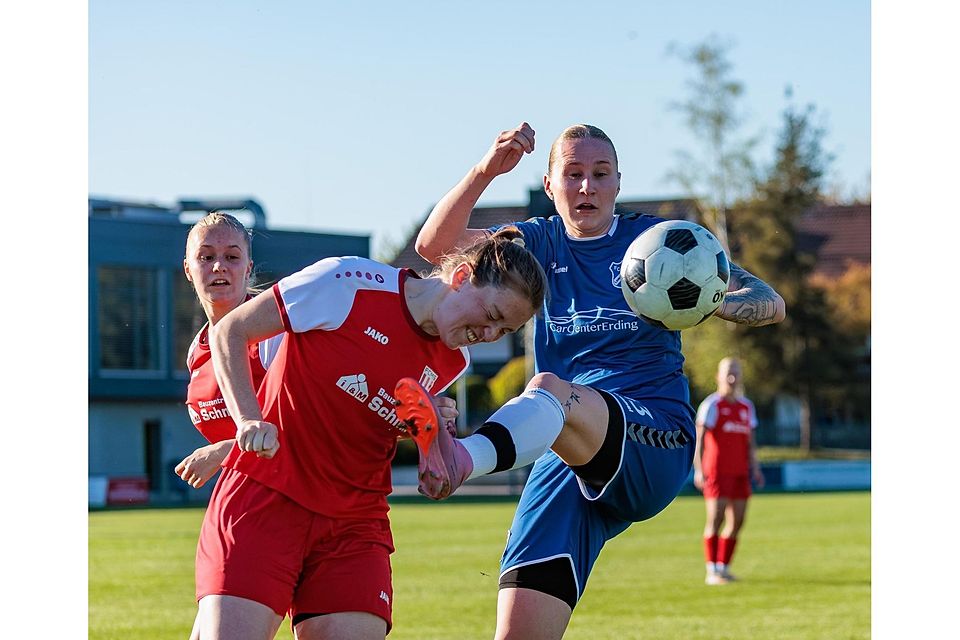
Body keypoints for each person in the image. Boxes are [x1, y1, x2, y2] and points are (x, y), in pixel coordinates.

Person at [409, 122, 786, 639]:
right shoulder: (535, 244)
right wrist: (485, 171)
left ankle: (461, 458)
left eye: (601, 173)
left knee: (548, 388)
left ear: (618, 183)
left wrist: (703, 297)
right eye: (573, 174)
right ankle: (468, 456)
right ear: (550, 187)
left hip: (651, 435)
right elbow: (435, 247)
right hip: (562, 452)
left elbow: (770, 302)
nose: (587, 186)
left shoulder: (658, 242)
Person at [195, 227, 547, 640]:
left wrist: (424, 436)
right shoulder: (346, 282)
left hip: (355, 525)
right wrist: (248, 419)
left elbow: (371, 416)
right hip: (266, 498)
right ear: (461, 277)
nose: (488, 335)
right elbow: (230, 331)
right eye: (492, 316)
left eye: (503, 331)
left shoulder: (456, 361)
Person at [176, 211, 283, 640]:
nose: (219, 266)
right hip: (238, 513)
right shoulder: (197, 349)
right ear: (189, 269)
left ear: (248, 267)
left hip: (292, 508)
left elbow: (304, 419)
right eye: (206, 257)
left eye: (232, 256)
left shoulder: (274, 334)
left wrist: (221, 451)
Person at [693, 356, 765, 585]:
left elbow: (750, 442)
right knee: (716, 519)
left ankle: (724, 568)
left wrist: (755, 468)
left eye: (736, 373)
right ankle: (711, 571)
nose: (732, 378)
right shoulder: (711, 405)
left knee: (738, 521)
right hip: (717, 472)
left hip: (740, 472)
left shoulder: (746, 406)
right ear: (718, 376)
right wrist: (698, 469)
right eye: (728, 373)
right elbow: (699, 441)